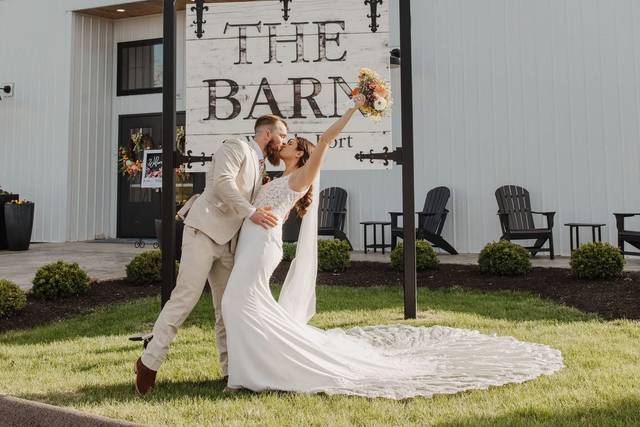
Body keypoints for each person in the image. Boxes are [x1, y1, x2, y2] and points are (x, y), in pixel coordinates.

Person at [220, 95, 563, 399]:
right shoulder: (275, 178)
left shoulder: (302, 175)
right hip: (251, 243)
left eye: (292, 142)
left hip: (263, 246)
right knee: (242, 303)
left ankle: (247, 375)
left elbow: (325, 139)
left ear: (301, 154)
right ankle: (249, 372)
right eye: (286, 139)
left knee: (237, 300)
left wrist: (355, 106)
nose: (285, 144)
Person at [134, 115, 288, 395]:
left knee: (227, 308)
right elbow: (222, 183)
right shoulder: (235, 147)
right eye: (282, 135)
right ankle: (148, 363)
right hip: (203, 232)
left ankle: (231, 372)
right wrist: (251, 212)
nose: (285, 141)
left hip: (229, 243)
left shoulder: (261, 163)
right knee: (184, 299)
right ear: (267, 133)